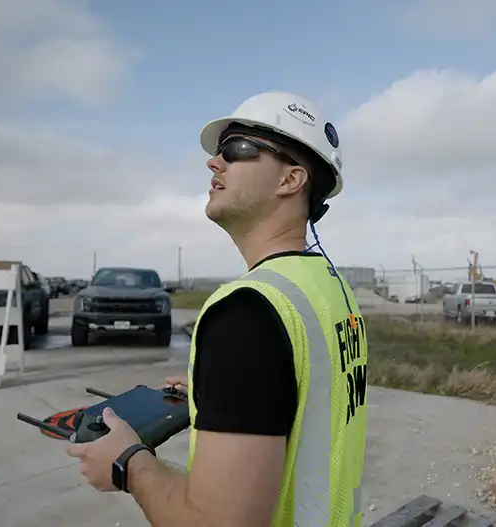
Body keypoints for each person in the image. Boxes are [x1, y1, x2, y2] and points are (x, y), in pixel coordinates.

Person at [66, 92, 369, 527]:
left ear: (291, 180)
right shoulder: (333, 290)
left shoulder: (247, 311)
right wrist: (237, 395)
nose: (214, 162)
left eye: (237, 149)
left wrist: (129, 463)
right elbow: (312, 403)